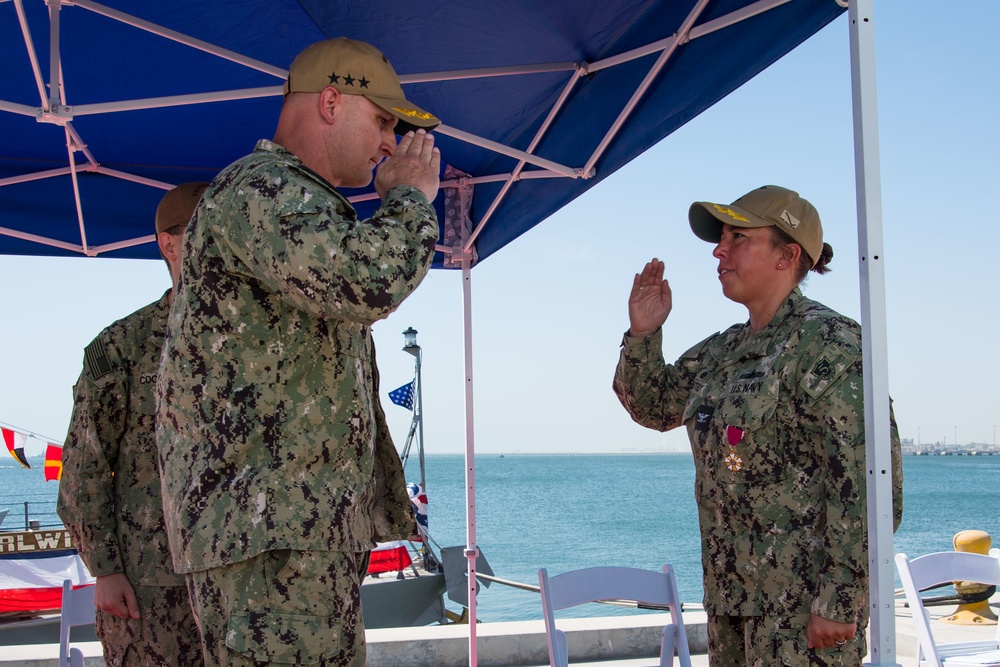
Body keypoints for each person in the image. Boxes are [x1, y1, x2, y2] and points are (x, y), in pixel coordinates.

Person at [155, 37, 440, 667]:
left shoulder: (293, 200)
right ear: (332, 102)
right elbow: (367, 278)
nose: (391, 144)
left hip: (290, 542)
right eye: (384, 121)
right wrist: (411, 198)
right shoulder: (262, 189)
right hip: (270, 547)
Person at [613, 185, 903, 666]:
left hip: (802, 620)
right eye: (721, 237)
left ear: (787, 255)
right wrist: (644, 334)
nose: (719, 250)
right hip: (731, 606)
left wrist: (840, 601)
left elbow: (871, 483)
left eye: (738, 237)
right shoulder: (724, 349)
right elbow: (654, 406)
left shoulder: (830, 343)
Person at [57, 182, 208, 666]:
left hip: (239, 582)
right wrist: (105, 569)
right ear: (170, 244)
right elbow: (84, 467)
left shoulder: (257, 344)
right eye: (208, 233)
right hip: (151, 591)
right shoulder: (124, 346)